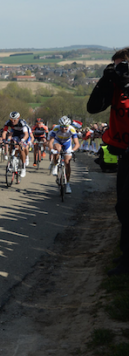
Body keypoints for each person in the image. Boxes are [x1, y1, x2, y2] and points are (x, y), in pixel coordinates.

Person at [87, 47, 129, 275]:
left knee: (126, 205)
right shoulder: (115, 84)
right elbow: (93, 108)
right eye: (115, 65)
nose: (118, 70)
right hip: (123, 153)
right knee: (123, 207)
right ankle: (125, 257)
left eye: (123, 65)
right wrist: (105, 80)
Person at [47, 116, 79, 193]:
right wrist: (52, 150)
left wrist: (72, 150)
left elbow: (77, 144)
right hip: (57, 141)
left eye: (66, 127)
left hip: (67, 143)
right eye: (62, 127)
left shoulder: (72, 129)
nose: (64, 129)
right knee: (57, 149)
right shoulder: (56, 129)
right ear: (59, 126)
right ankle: (55, 164)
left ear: (68, 126)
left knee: (67, 163)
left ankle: (67, 184)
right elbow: (50, 142)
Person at [3, 111, 30, 178]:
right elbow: (4, 132)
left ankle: (23, 167)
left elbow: (26, 135)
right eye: (11, 119)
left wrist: (22, 141)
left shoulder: (22, 123)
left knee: (21, 148)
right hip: (15, 133)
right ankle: (11, 159)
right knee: (12, 143)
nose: (13, 121)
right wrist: (4, 140)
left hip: (23, 134)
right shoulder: (8, 122)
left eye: (14, 120)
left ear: (18, 118)